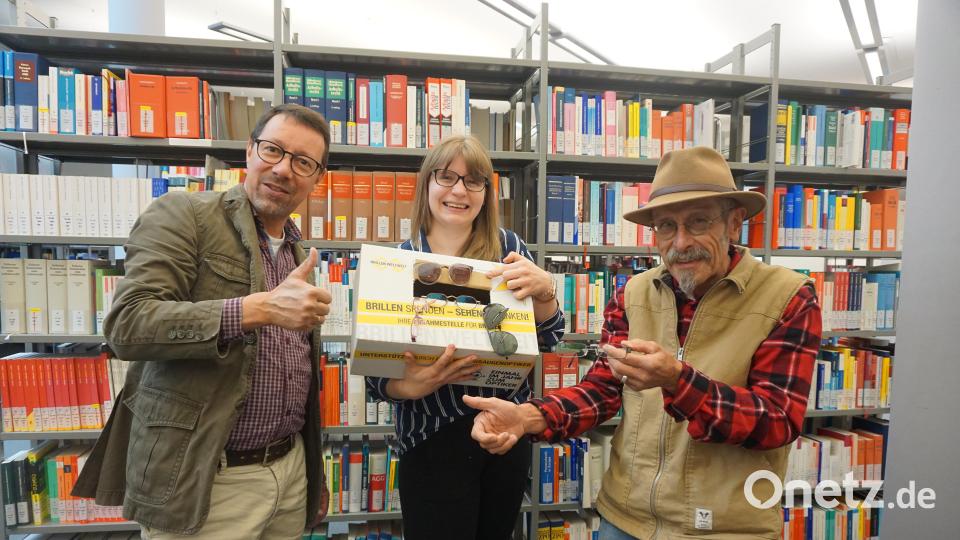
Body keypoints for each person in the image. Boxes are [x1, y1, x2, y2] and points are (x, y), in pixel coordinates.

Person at [465, 146, 822, 539]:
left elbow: (776, 422)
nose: (681, 242)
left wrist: (677, 381)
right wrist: (526, 417)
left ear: (734, 223)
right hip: (625, 518)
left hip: (726, 528)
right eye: (666, 226)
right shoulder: (633, 293)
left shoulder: (787, 297)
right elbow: (602, 392)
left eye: (698, 222)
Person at [73, 104, 334, 539]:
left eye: (303, 162)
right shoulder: (184, 215)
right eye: (273, 150)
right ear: (249, 151)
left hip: (289, 474)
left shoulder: (296, 251)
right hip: (207, 478)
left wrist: (310, 473)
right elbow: (128, 324)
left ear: (316, 178)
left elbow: (297, 373)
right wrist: (258, 310)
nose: (284, 169)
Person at [365, 135, 565, 540]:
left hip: (502, 433)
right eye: (447, 177)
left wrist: (546, 291)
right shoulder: (396, 261)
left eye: (474, 180)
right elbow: (376, 376)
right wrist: (410, 385)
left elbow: (548, 337)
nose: (459, 190)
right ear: (427, 184)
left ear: (486, 193)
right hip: (431, 437)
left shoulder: (509, 248)